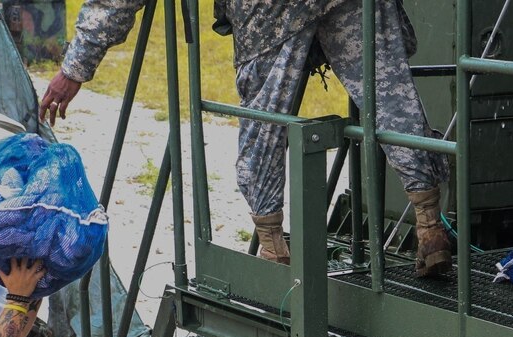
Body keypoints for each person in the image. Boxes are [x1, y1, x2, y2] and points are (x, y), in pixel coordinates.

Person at [39, 0, 452, 277]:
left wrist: (76, 65)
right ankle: (429, 224)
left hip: (270, 10)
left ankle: (273, 248)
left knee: (265, 118)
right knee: (387, 90)